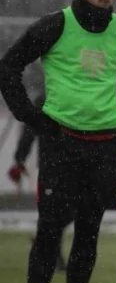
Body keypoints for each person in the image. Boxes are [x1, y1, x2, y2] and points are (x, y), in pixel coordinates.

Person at [0, 0, 116, 283]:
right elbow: (8, 66)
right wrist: (30, 115)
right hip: (62, 144)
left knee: (89, 229)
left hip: (106, 146)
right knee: (49, 229)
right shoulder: (56, 25)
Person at [7, 93, 67, 272]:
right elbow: (30, 130)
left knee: (63, 213)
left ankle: (44, 242)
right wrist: (20, 158)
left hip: (71, 164)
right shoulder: (45, 100)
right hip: (51, 166)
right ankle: (52, 254)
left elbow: (29, 131)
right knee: (58, 213)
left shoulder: (63, 95)